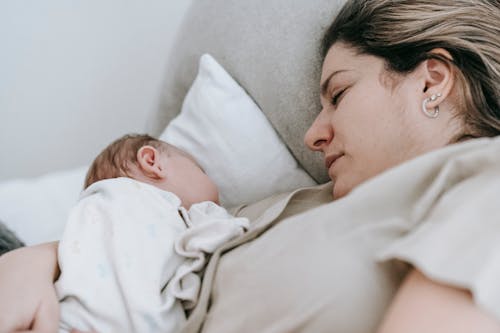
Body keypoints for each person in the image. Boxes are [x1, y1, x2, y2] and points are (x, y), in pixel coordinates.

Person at [1, 0, 499, 332]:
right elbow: (150, 241)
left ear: (432, 82)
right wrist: (39, 259)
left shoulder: (483, 185)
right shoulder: (310, 202)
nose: (312, 134)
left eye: (340, 94)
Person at [7, 133, 248, 333]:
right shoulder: (139, 203)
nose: (217, 192)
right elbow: (220, 230)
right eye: (201, 170)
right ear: (152, 161)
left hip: (70, 317)